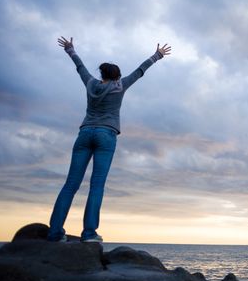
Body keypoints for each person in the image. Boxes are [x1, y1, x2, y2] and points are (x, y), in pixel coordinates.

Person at [47, 37, 171, 242]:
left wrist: (70, 50)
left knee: (70, 184)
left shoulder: (90, 83)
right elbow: (140, 71)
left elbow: (80, 67)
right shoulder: (120, 86)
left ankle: (54, 233)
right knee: (97, 185)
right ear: (117, 76)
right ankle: (88, 234)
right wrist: (157, 55)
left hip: (85, 133)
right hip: (106, 136)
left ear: (102, 74)